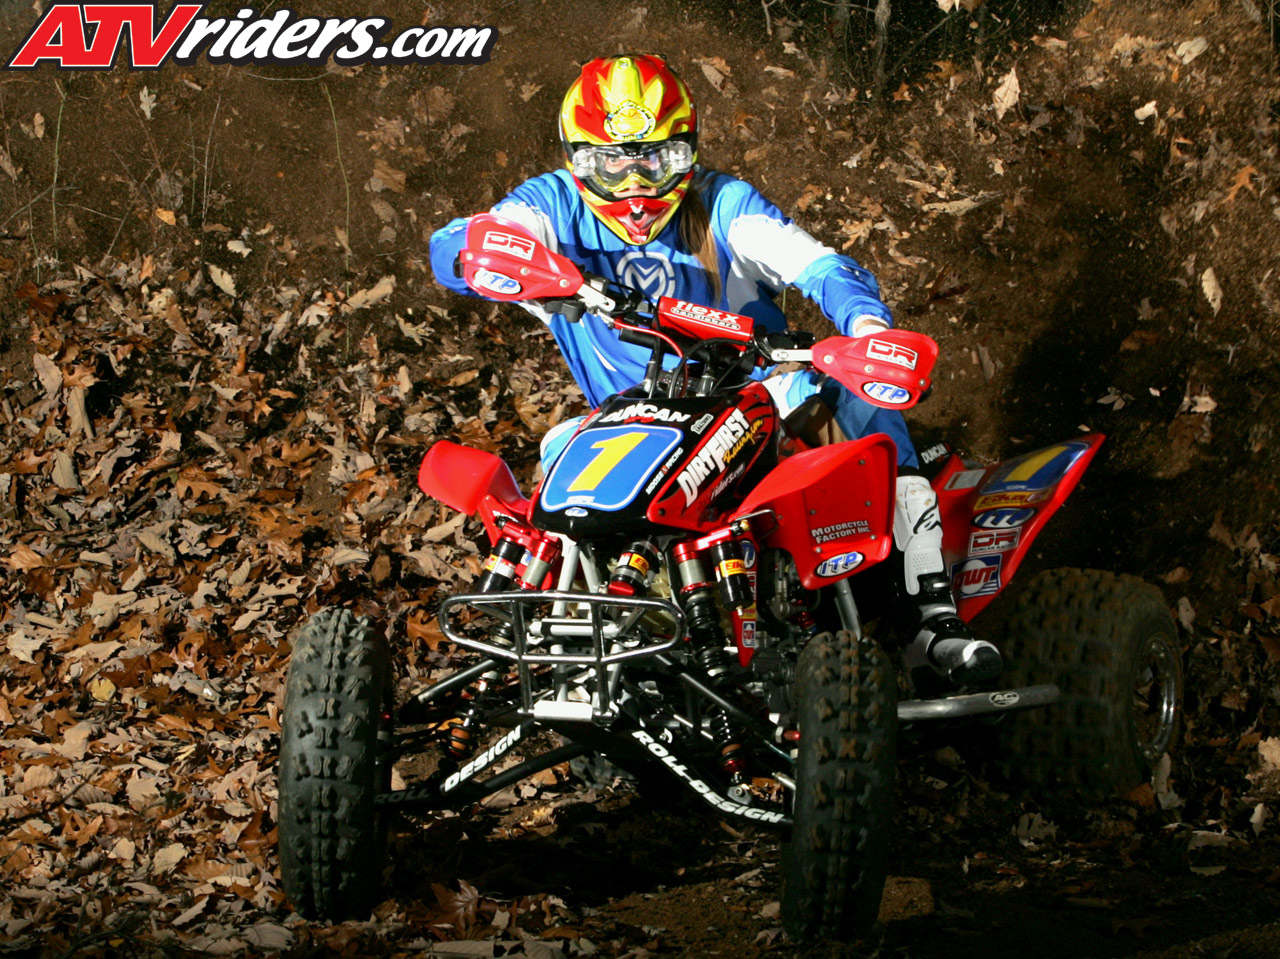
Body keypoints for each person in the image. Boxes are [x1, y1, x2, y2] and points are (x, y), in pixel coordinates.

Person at [430, 54, 1000, 687]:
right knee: (554, 457)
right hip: (626, 415)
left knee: (864, 406)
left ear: (688, 151)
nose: (635, 185)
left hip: (757, 394)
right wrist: (476, 251)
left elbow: (820, 266)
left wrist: (866, 328)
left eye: (657, 159)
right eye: (609, 163)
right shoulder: (550, 205)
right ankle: (567, 645)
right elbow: (461, 240)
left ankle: (932, 616)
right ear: (576, 158)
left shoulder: (723, 202)